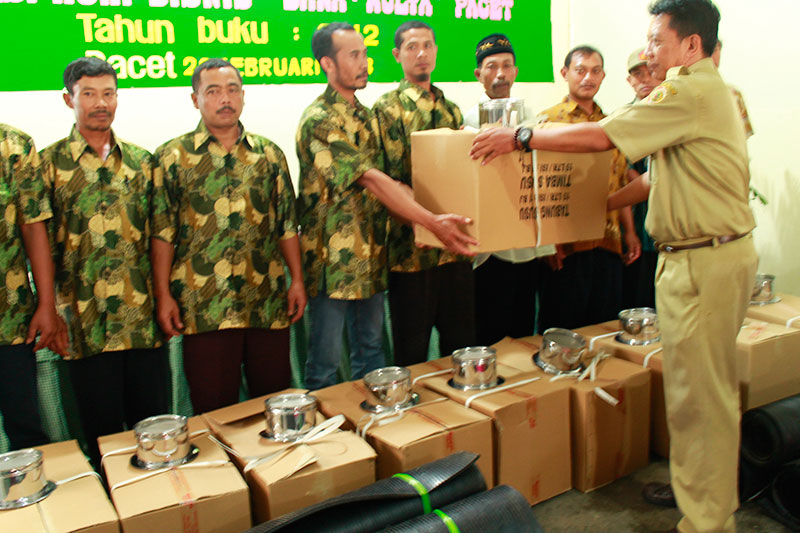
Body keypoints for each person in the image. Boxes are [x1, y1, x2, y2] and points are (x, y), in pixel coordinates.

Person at [471, 1, 756, 531]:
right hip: (701, 257)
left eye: (656, 40)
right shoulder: (703, 95)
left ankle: (708, 522)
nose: (647, 52)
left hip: (703, 262)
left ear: (691, 45)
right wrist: (595, 207)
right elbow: (653, 180)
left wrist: (520, 137)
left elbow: (603, 136)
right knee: (695, 396)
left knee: (701, 402)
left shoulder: (687, 91)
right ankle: (705, 502)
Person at [297, 22, 476, 390]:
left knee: (373, 355)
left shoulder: (366, 116)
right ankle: (331, 428)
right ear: (327, 64)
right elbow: (372, 179)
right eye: (353, 55)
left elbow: (396, 183)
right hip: (334, 262)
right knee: (325, 364)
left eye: (364, 53)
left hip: (373, 253)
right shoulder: (319, 119)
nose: (364, 62)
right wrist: (430, 222)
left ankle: (378, 420)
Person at [151, 58, 305, 413]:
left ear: (243, 96)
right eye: (213, 91)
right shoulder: (172, 158)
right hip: (204, 305)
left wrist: (296, 280)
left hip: (265, 300)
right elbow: (162, 232)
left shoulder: (268, 154)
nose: (225, 99)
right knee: (214, 409)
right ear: (195, 99)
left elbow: (286, 224)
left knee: (275, 404)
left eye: (232, 90)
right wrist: (163, 295)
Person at [40, 57, 169, 467]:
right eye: (89, 94)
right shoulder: (47, 165)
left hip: (141, 320)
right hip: (84, 324)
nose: (101, 103)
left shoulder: (142, 162)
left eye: (108, 94)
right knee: (101, 437)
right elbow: (39, 244)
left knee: (155, 431)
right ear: (69, 99)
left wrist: (164, 297)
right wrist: (51, 310)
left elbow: (160, 234)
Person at [373, 20, 476, 365]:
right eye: (412, 46)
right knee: (412, 351)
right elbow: (388, 182)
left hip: (455, 249)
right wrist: (423, 225)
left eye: (427, 45)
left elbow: (463, 177)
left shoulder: (451, 109)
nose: (421, 54)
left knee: (460, 346)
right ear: (397, 54)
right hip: (410, 252)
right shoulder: (387, 109)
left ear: (436, 50)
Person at [533, 45, 640, 332]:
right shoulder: (546, 122)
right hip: (566, 245)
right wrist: (546, 243)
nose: (588, 78)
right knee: (562, 329)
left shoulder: (612, 123)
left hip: (608, 240)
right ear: (565, 73)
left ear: (603, 76)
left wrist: (630, 232)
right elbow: (538, 187)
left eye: (595, 71)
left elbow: (620, 180)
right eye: (580, 70)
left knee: (603, 328)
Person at [462, 33, 555, 345]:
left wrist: (548, 245)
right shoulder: (466, 123)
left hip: (527, 245)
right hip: (489, 249)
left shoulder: (534, 121)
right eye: (491, 67)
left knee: (523, 331)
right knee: (488, 331)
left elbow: (544, 181)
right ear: (479, 74)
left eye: (506, 66)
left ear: (515, 71)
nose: (500, 74)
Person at [0, 124, 66, 451]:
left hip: (10, 320)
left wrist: (46, 304)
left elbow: (33, 228)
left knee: (25, 430)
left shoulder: (14, 146)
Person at [622, 47, 658, 310]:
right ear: (629, 80)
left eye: (650, 72)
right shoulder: (623, 118)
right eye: (638, 74)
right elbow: (623, 172)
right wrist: (630, 232)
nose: (645, 79)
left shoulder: (671, 113)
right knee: (638, 297)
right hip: (637, 219)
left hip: (669, 223)